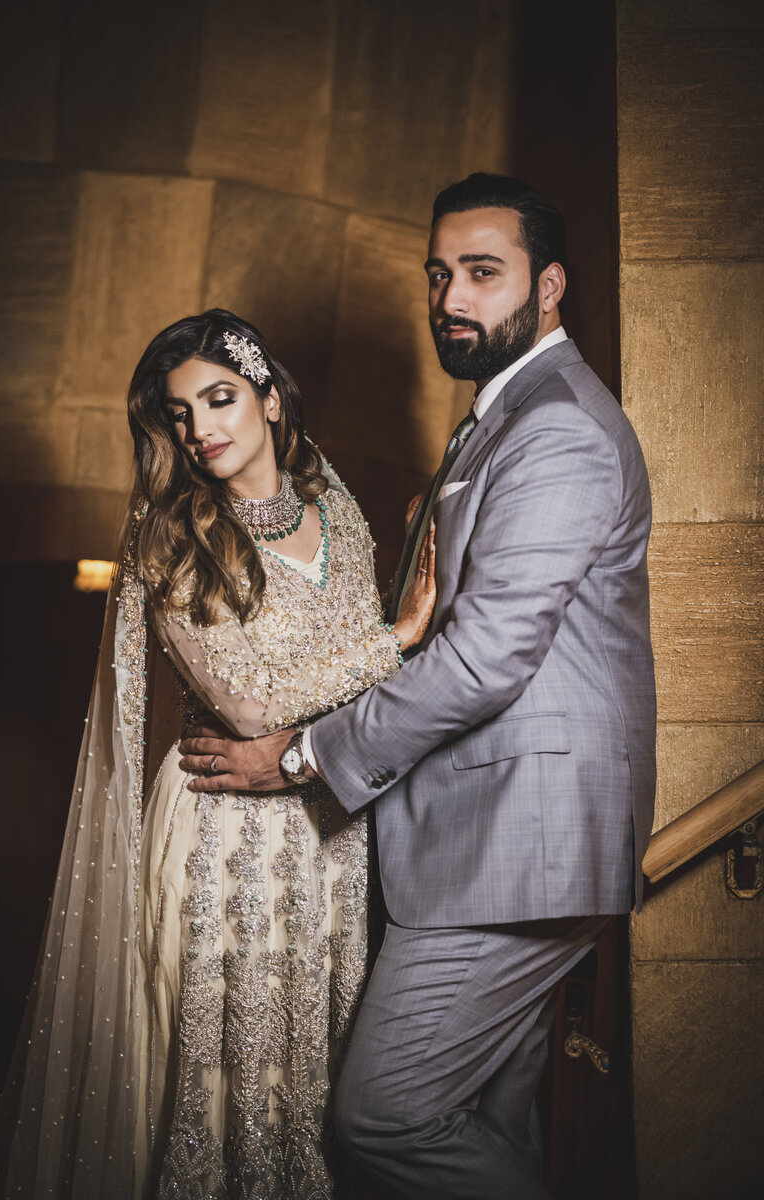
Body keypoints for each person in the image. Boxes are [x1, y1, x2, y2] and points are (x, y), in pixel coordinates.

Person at [179, 175, 657, 1198]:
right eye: (439, 274)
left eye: (482, 273)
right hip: (488, 840)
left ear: (549, 285)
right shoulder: (497, 419)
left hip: (511, 844)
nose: (450, 296)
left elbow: (484, 659)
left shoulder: (556, 427)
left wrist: (299, 756)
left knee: (381, 1119)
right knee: (487, 1121)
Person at [0, 309, 435, 1199]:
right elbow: (246, 706)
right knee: (233, 1093)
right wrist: (398, 635)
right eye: (180, 414)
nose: (200, 428)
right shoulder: (171, 540)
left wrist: (409, 577)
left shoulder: (336, 508)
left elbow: (346, 675)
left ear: (268, 397)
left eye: (219, 399)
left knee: (320, 1081)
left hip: (332, 832)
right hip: (227, 835)